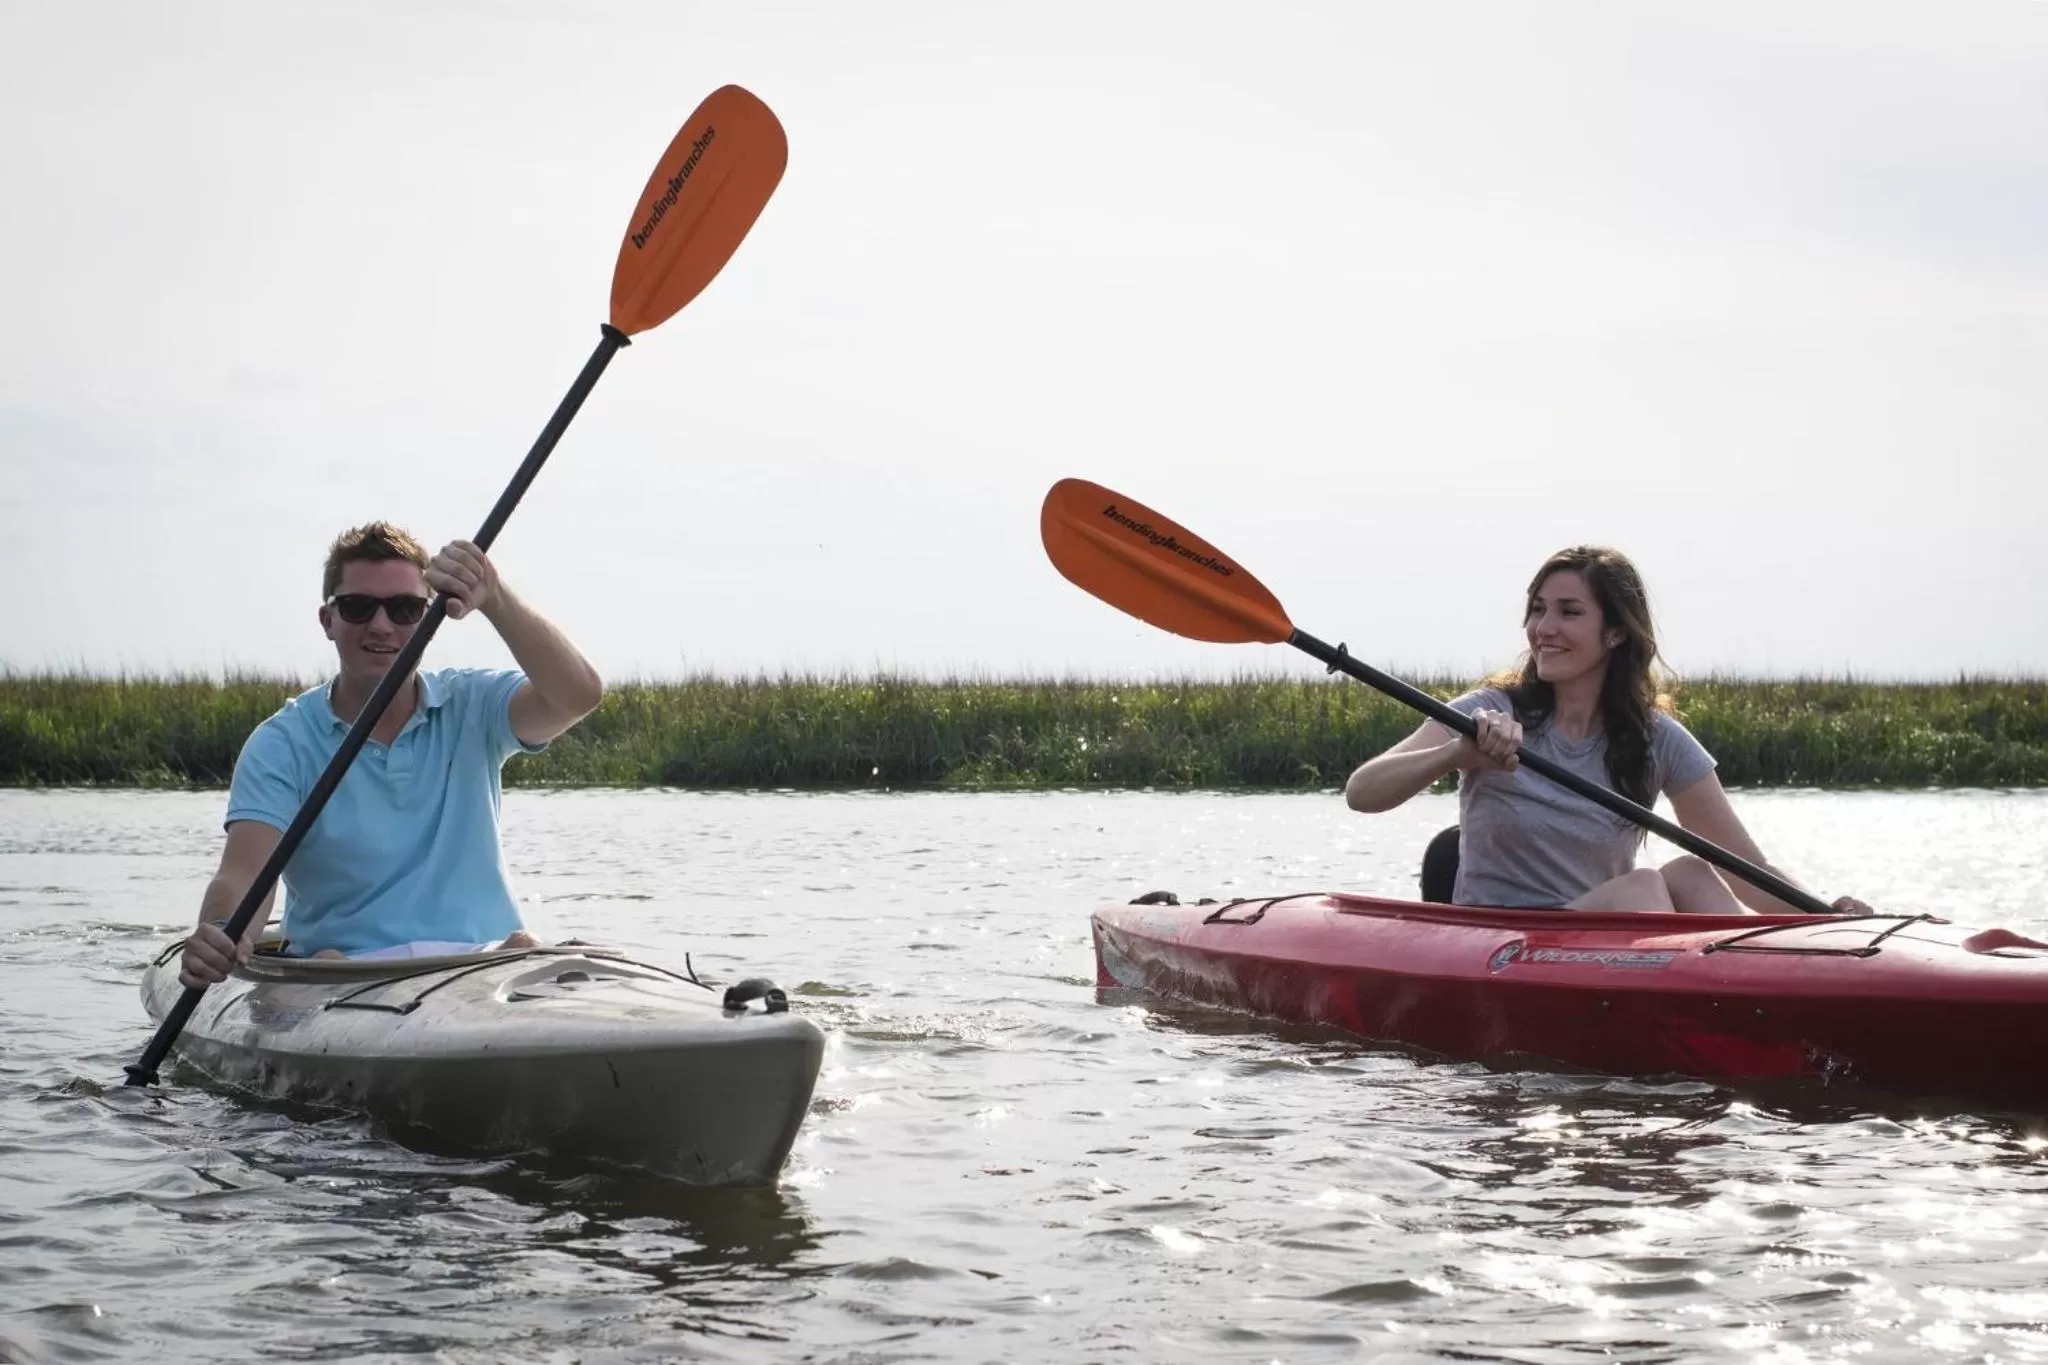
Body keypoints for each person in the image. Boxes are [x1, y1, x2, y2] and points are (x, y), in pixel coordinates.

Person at [178, 522, 604, 987]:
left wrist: (495, 597)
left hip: (487, 966)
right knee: (330, 961)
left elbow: (577, 696)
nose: (381, 626)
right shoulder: (282, 743)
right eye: (358, 608)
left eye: (404, 609)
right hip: (341, 974)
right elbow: (243, 875)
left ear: (427, 619)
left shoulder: (473, 704)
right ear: (328, 621)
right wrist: (221, 931)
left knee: (525, 944)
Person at [1344, 545, 1869, 915]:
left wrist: (1828, 914)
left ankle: (1761, 998)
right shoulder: (1488, 711)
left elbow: (1747, 866)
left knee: (1690, 872)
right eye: (1538, 609)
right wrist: (1455, 754)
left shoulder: (1658, 739)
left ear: (1616, 632)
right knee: (1643, 886)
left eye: (1569, 612)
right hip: (1503, 942)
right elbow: (1361, 792)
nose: (1543, 629)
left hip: (1604, 944)